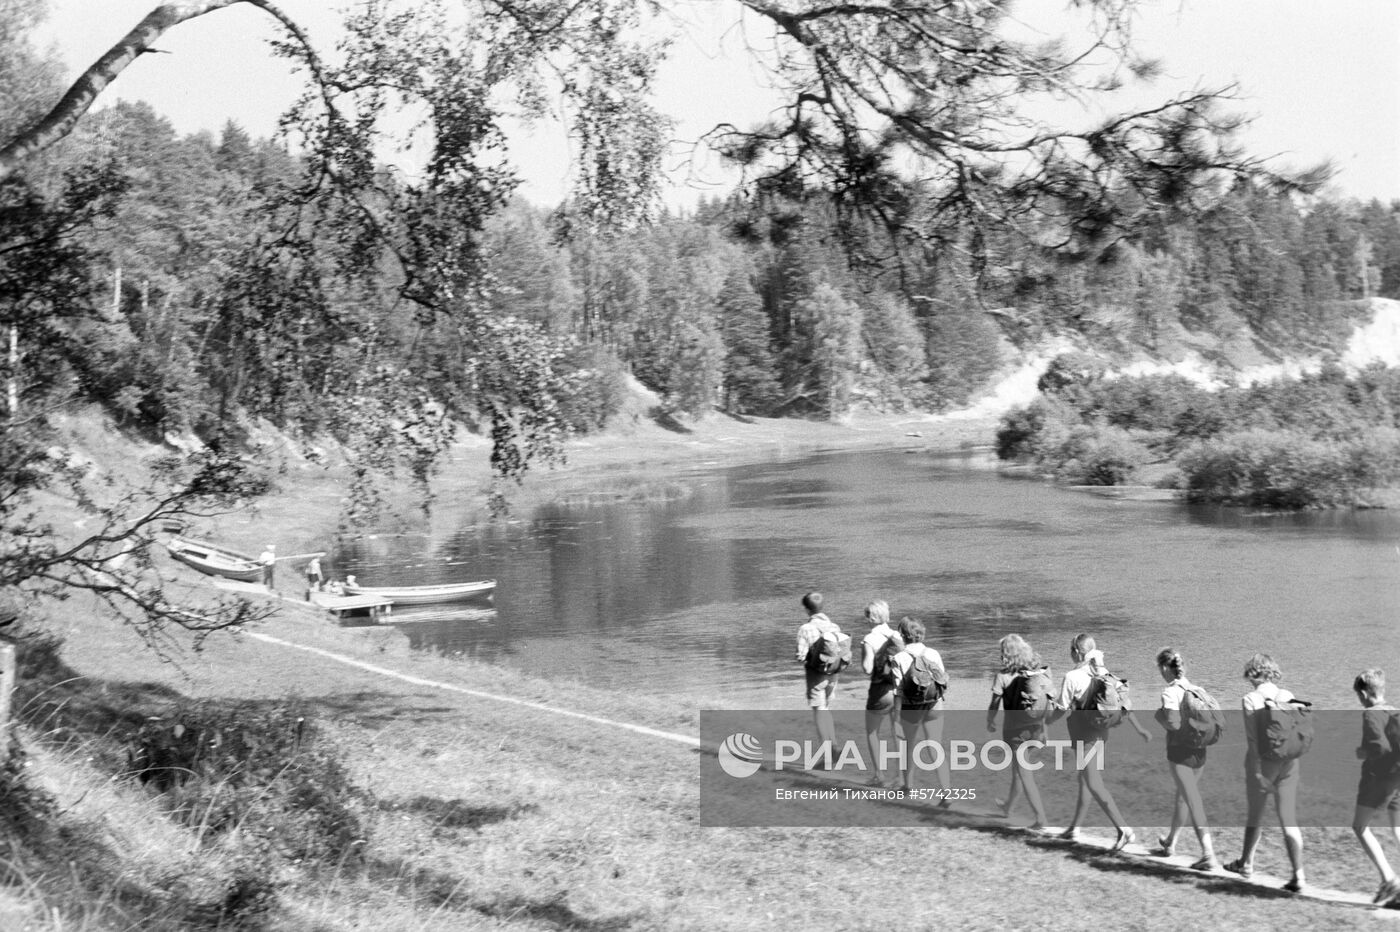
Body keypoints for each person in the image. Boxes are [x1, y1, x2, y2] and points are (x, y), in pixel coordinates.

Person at [1046, 634, 1150, 850]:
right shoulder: (1104, 672)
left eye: (1070, 649)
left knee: (1093, 783)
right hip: (1102, 733)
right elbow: (1123, 704)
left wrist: (1044, 723)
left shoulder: (1072, 676)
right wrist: (1140, 729)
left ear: (1076, 652)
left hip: (1085, 737)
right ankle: (1074, 828)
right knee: (1085, 779)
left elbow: (1060, 710)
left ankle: (1123, 830)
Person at [1226, 653, 1305, 892]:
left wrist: (1258, 770)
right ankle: (1298, 875)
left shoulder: (1250, 699)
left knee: (1255, 815)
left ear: (1253, 673)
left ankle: (1246, 863)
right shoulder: (1288, 695)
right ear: (1272, 672)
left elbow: (1252, 741)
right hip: (1289, 763)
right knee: (1288, 818)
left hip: (1263, 764)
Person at [1153, 647, 1221, 871]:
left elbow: (1172, 723)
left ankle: (1208, 854)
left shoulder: (1170, 692)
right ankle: (1171, 842)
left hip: (1180, 753)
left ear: (1165, 668)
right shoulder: (1197, 689)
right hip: (1200, 751)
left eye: (1159, 669)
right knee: (1183, 797)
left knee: (1192, 799)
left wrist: (1158, 718)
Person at [986, 634, 1050, 831]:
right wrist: (1045, 729)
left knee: (1024, 774)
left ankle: (1041, 819)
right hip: (1036, 728)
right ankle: (1008, 807)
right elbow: (1043, 701)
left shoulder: (1003, 676)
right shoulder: (1033, 674)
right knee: (1018, 771)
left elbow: (994, 703)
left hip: (1015, 732)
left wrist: (990, 719)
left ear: (1006, 654)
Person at [1351, 669, 1400, 905]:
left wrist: (1363, 753)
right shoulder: (1393, 711)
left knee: (1359, 826)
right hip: (1397, 777)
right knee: (1398, 828)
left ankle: (1390, 880)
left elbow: (1379, 748)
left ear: (1363, 693)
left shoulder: (1371, 714)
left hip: (1378, 778)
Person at [889, 616, 951, 798]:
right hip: (934, 705)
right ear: (921, 633)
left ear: (902, 635)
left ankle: (908, 787)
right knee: (935, 747)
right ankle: (947, 792)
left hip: (910, 707)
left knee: (908, 747)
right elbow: (942, 680)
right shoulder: (933, 653)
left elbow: (898, 691)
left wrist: (896, 718)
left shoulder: (898, 658)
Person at [794, 592, 844, 757]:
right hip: (833, 674)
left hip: (816, 675)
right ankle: (834, 744)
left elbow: (801, 656)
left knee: (819, 709)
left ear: (807, 610)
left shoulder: (805, 628)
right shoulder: (834, 627)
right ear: (822, 607)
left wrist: (802, 657)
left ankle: (828, 752)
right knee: (826, 708)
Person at [860, 599, 902, 787]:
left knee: (872, 732)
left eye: (867, 615)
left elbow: (868, 669)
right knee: (898, 733)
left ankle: (879, 775)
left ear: (872, 618)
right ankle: (901, 777)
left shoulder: (869, 639)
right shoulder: (897, 635)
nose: (866, 619)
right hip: (899, 690)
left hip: (880, 691)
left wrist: (863, 657)